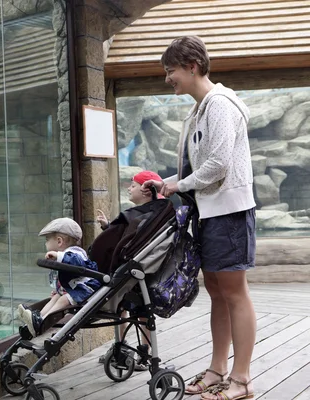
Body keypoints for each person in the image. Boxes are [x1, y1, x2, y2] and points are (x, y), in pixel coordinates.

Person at [142, 36, 256, 400]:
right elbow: (200, 167)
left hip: (229, 212)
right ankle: (217, 369)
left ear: (191, 66)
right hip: (210, 213)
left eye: (170, 70)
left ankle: (240, 380)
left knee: (235, 294)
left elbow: (219, 165)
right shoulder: (200, 108)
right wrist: (169, 183)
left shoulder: (220, 105)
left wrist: (180, 186)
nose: (167, 78)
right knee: (217, 293)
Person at [97, 170, 164, 370]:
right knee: (124, 309)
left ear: (146, 191)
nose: (129, 188)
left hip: (138, 271)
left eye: (133, 185)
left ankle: (144, 353)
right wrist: (108, 227)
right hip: (132, 269)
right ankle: (121, 347)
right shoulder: (141, 216)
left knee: (139, 313)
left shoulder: (147, 217)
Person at [17, 218, 101, 336]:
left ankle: (42, 321)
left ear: (59, 241)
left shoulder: (76, 253)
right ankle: (36, 320)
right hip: (73, 290)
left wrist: (59, 255)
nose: (45, 243)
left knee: (62, 299)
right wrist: (58, 290)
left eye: (47, 239)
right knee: (56, 297)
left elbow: (76, 263)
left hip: (85, 290)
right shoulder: (64, 255)